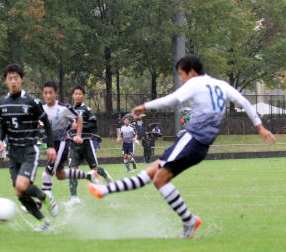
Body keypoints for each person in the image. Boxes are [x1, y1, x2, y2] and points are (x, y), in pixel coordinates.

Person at [87, 55, 275, 239]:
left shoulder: (196, 83)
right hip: (200, 146)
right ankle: (106, 191)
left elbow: (173, 99)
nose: (181, 79)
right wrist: (260, 127)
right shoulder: (222, 85)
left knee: (158, 178)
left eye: (181, 74)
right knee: (153, 174)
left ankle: (189, 220)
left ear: (191, 72)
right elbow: (244, 103)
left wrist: (145, 106)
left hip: (193, 140)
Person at [0, 64, 58, 231]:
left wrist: (50, 146)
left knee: (22, 186)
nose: (13, 81)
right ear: (5, 81)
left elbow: (46, 123)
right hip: (13, 152)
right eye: (10, 78)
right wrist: (0, 140)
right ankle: (42, 221)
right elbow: (3, 127)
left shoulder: (32, 101)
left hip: (29, 150)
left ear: (21, 79)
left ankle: (45, 197)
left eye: (16, 78)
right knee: (19, 192)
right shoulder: (1, 104)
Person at [39, 81, 100, 203]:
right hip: (52, 146)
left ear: (56, 93)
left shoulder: (63, 108)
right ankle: (89, 176)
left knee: (46, 175)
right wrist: (44, 145)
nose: (47, 96)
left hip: (61, 144)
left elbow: (79, 118)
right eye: (45, 93)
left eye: (50, 93)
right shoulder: (41, 109)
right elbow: (42, 131)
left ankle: (40, 204)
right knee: (60, 175)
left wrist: (78, 135)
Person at [66, 85, 112, 206]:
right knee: (73, 170)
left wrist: (81, 127)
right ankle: (73, 197)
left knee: (94, 169)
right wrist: (71, 127)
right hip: (73, 144)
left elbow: (93, 126)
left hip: (86, 142)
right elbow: (65, 126)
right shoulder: (68, 110)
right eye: (75, 94)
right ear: (72, 95)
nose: (77, 96)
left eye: (80, 94)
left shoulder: (87, 109)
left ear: (83, 96)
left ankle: (105, 175)